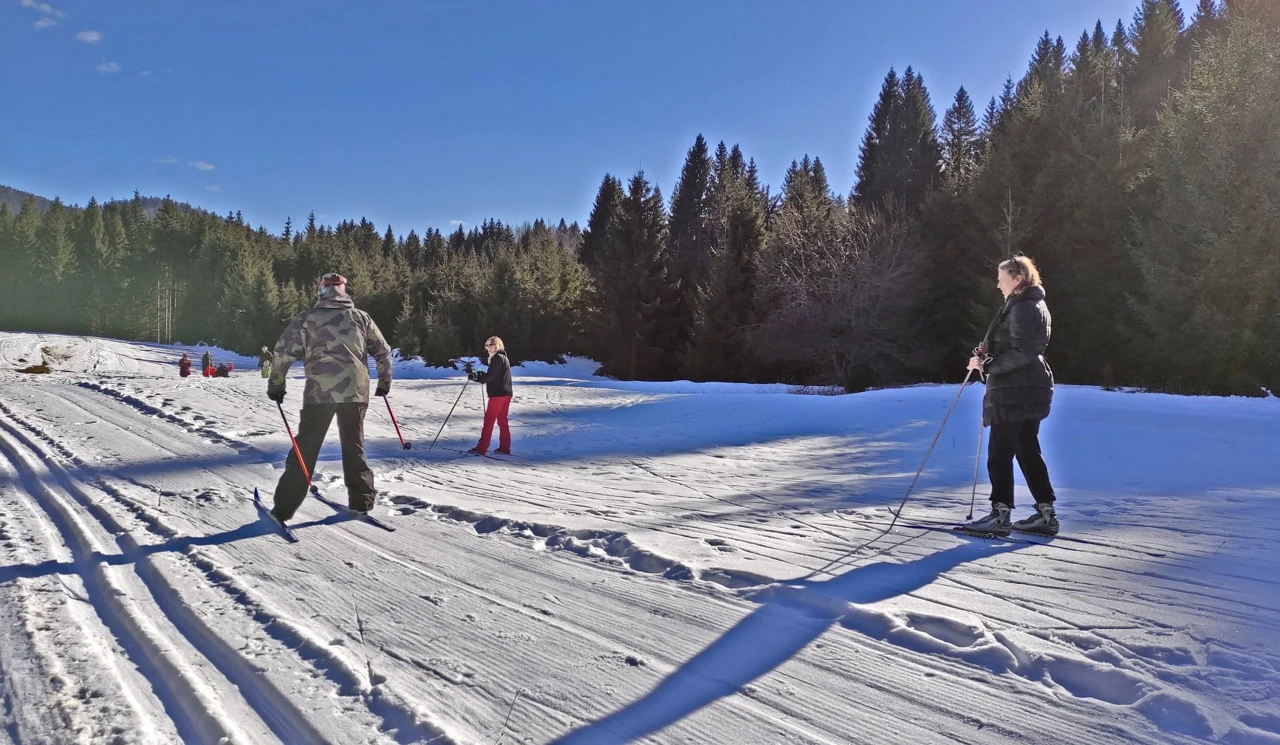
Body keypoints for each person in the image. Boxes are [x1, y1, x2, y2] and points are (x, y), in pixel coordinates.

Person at [266, 273, 392, 521]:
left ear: (321, 290)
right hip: (355, 391)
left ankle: (284, 508)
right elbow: (384, 351)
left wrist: (276, 384)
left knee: (307, 447)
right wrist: (384, 382)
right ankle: (362, 501)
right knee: (353, 445)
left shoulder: (308, 318)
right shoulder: (361, 318)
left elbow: (283, 351)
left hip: (320, 392)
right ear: (344, 291)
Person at [964, 256, 1058, 535]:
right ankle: (1045, 514)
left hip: (1016, 390)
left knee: (1001, 451)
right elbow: (1020, 347)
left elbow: (1023, 351)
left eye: (1001, 279)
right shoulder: (1028, 305)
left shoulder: (1023, 308)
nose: (997, 284)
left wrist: (988, 365)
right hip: (1027, 387)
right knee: (1027, 449)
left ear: (1017, 279)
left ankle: (1000, 513)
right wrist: (987, 354)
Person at [466, 336, 513, 455]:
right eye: (486, 345)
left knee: (489, 420)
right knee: (502, 420)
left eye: (490, 345)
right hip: (506, 393)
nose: (488, 348)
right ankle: (504, 447)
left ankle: (481, 448)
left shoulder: (497, 358)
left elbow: (490, 377)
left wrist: (478, 378)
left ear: (496, 345)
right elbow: (494, 375)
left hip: (498, 394)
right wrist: (481, 375)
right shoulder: (503, 357)